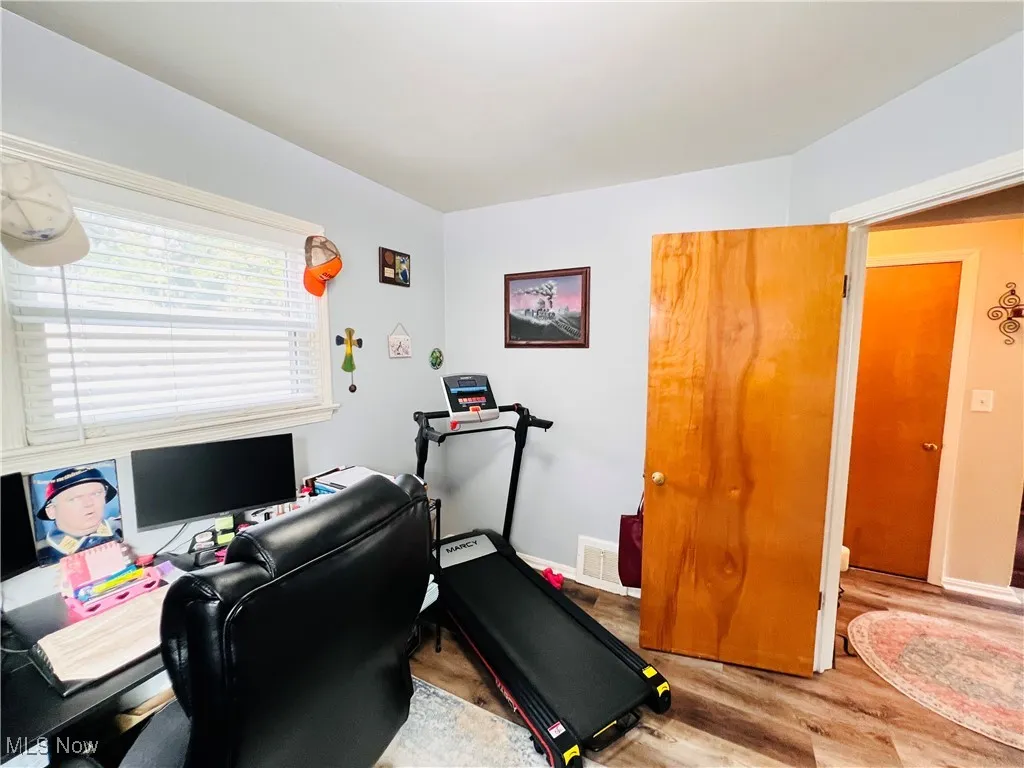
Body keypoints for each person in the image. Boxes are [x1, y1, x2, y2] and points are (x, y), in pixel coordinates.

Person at [36, 466, 121, 563]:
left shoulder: (120, 529)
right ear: (52, 511)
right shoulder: (44, 555)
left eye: (96, 493)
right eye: (74, 498)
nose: (89, 503)